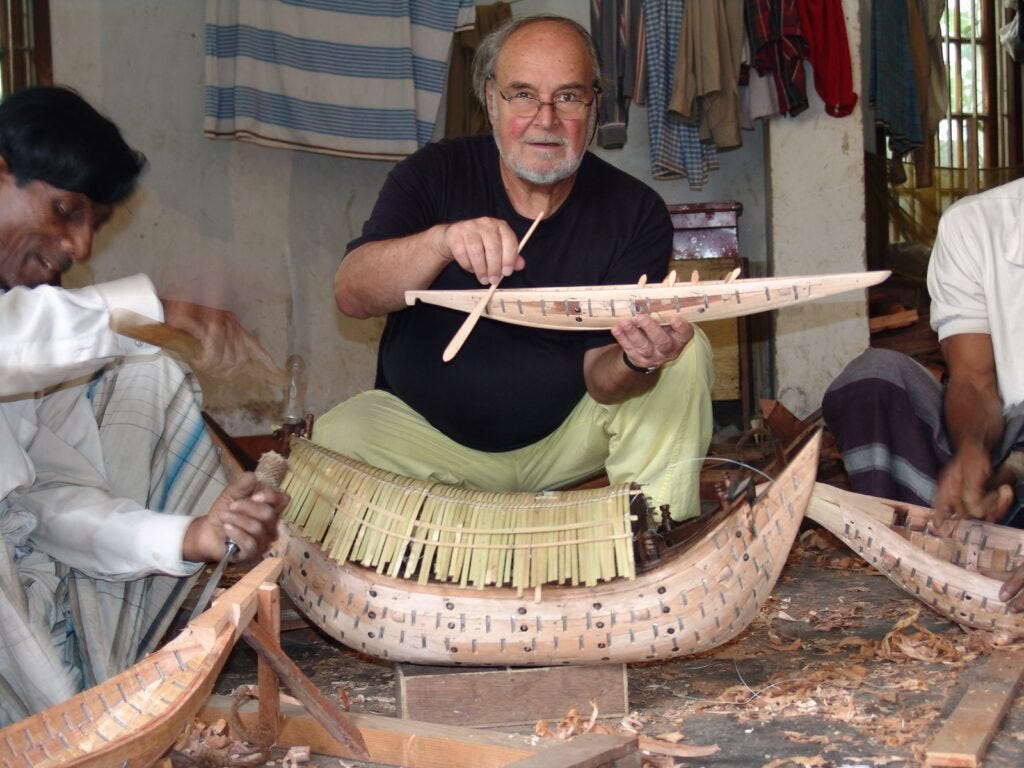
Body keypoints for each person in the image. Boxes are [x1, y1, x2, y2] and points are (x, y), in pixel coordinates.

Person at [314, 15, 714, 521]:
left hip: (563, 444)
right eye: (522, 94)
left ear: (593, 106)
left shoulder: (634, 211)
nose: (545, 120)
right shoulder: (432, 174)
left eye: (568, 97)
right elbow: (352, 294)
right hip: (430, 445)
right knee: (338, 437)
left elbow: (602, 377)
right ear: (490, 99)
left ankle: (652, 537)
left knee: (685, 354)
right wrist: (439, 242)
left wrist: (639, 359)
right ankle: (468, 530)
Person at [0, 85, 288, 724]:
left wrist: (190, 535)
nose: (81, 247)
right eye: (64, 210)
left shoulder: (45, 335)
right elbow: (14, 337)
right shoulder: (32, 331)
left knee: (147, 370)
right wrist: (156, 310)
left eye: (93, 224)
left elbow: (48, 502)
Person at [822, 177, 1024, 609]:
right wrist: (973, 451)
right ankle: (915, 550)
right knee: (872, 379)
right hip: (1008, 435)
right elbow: (973, 380)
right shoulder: (977, 224)